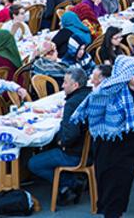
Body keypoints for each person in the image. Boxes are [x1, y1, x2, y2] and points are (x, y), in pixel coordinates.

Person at [71, 55, 134, 218]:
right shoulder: (108, 93)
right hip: (113, 151)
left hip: (121, 152)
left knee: (116, 192)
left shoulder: (129, 94)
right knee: (112, 191)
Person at [28, 67, 91, 206]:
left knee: (33, 164)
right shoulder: (89, 95)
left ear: (75, 85)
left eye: (65, 82)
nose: (62, 86)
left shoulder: (72, 103)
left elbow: (71, 135)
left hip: (75, 155)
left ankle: (70, 183)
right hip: (91, 151)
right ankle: (70, 181)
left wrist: (60, 141)